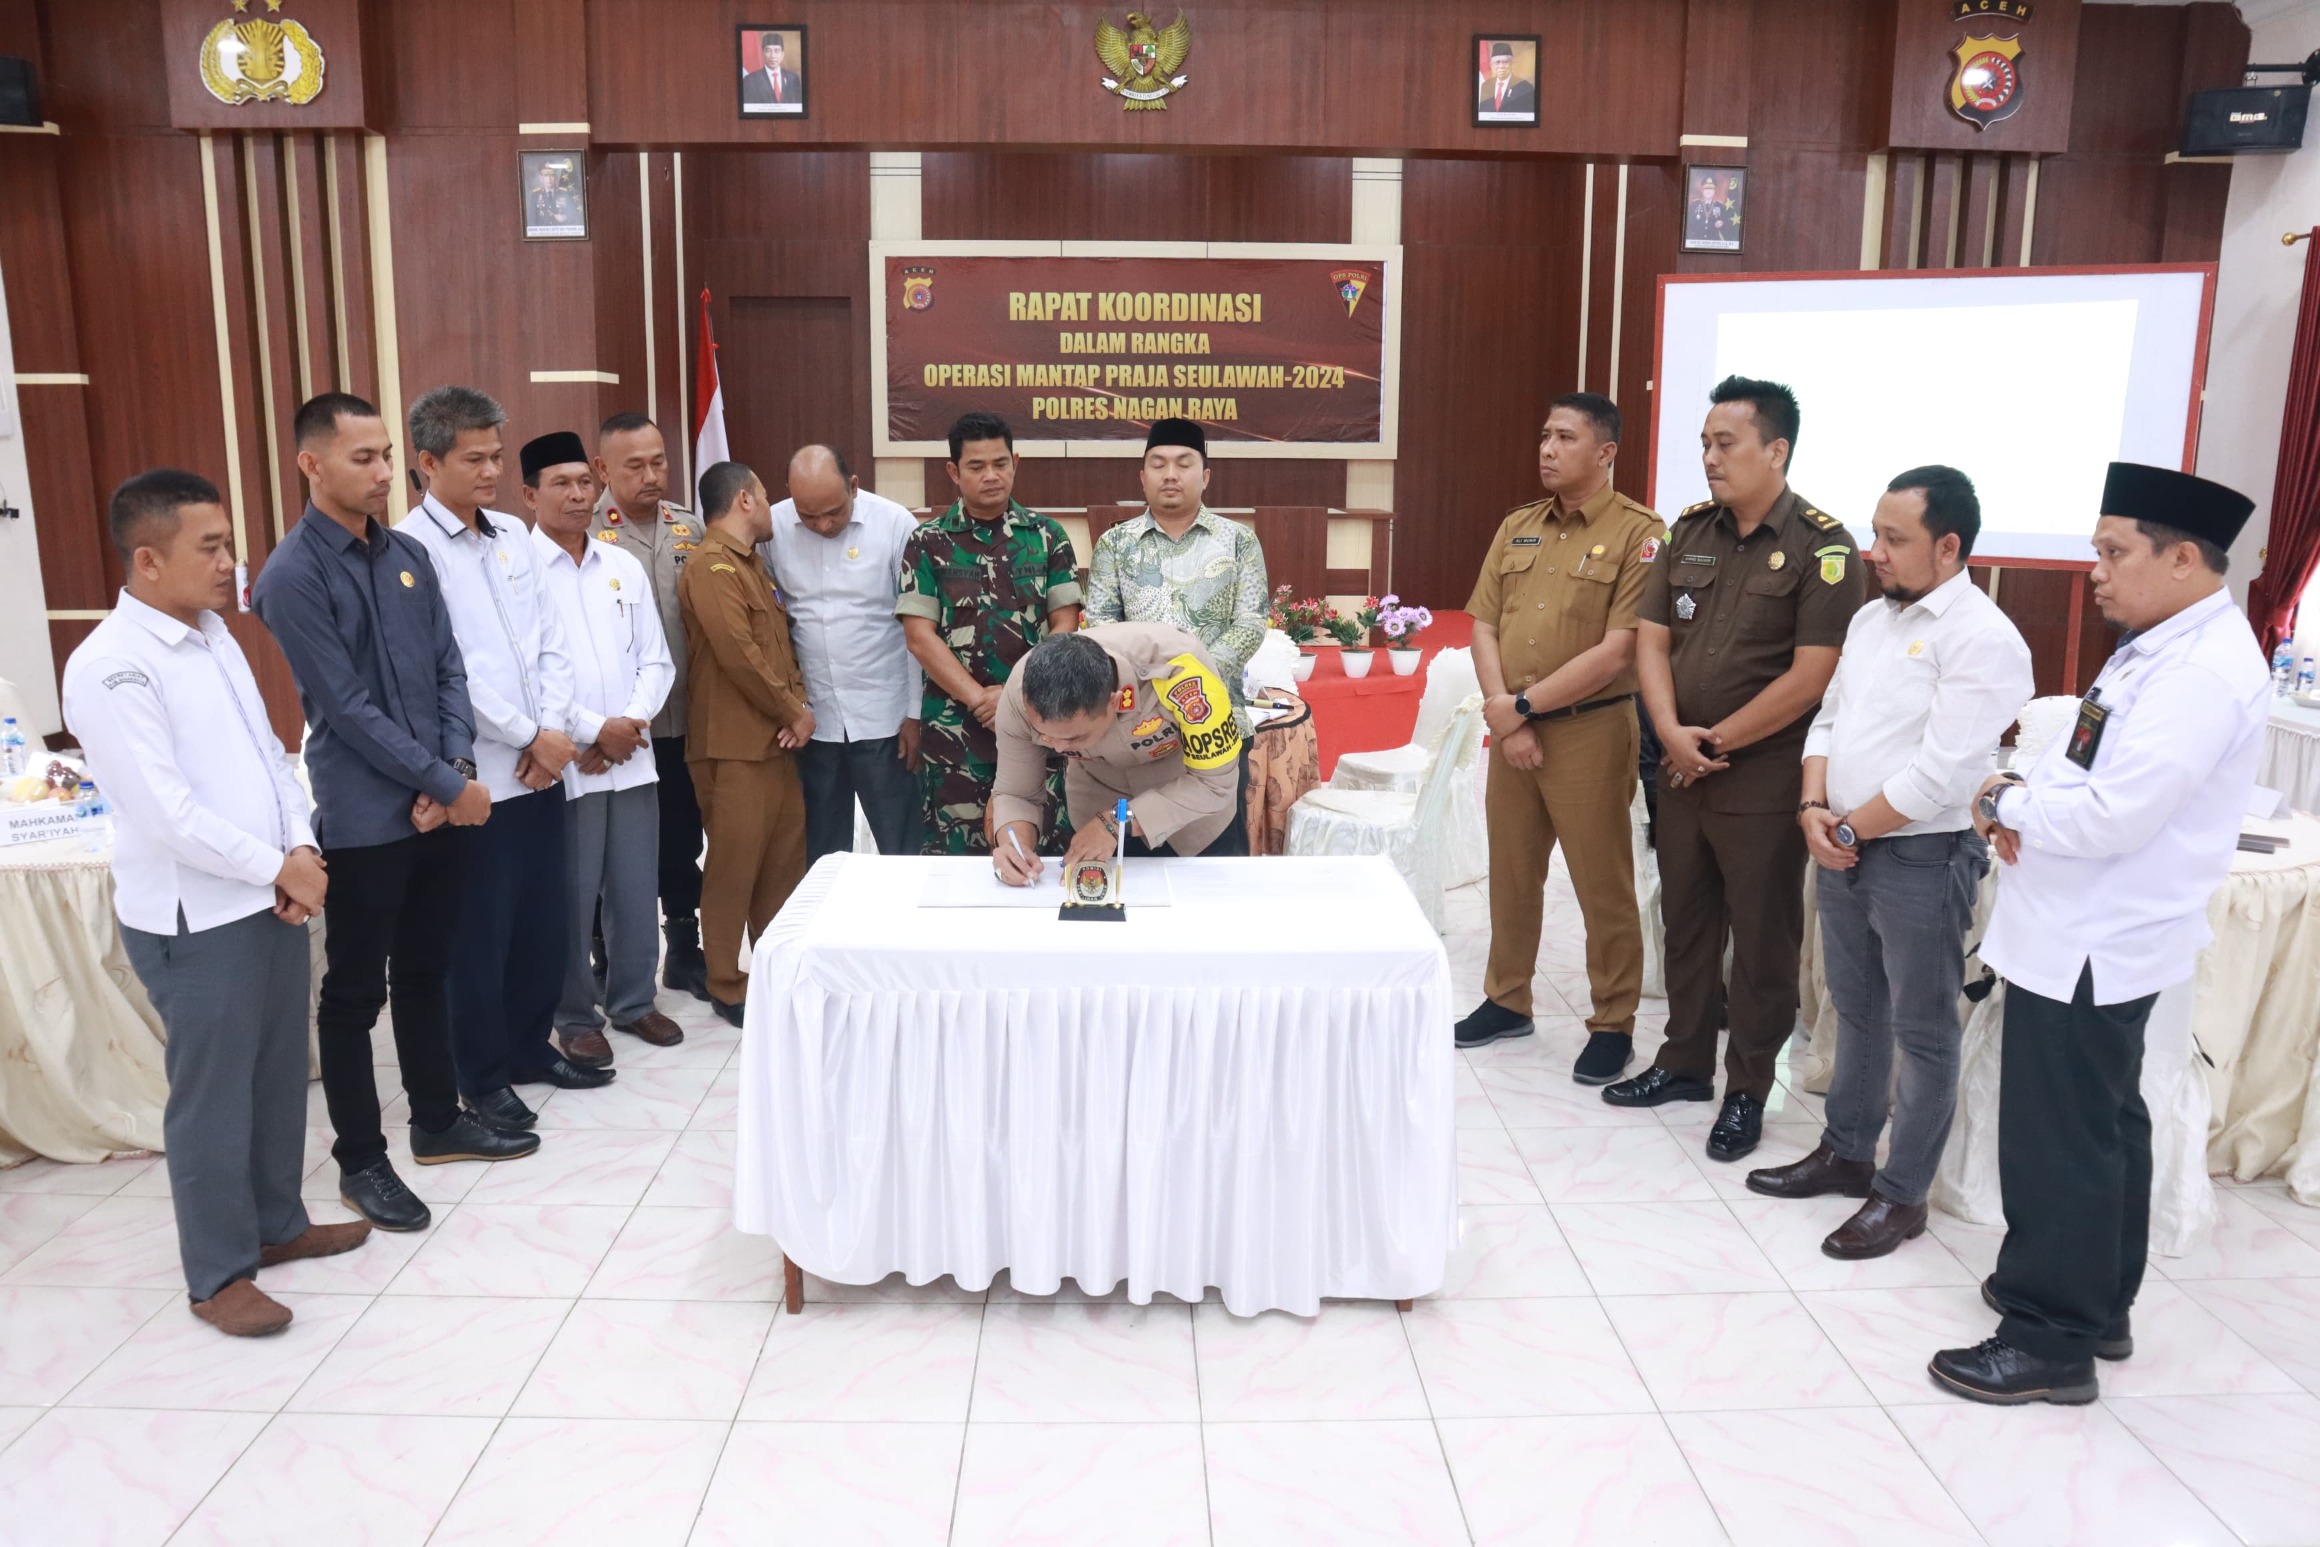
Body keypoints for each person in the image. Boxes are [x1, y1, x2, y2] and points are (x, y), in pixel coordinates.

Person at [1932, 463, 2268, 1406]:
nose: (2097, 571)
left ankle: (2050, 1336)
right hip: (2082, 926)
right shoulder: (2155, 645)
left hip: (2094, 936)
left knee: (2061, 1139)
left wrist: (2004, 801)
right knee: (2104, 1120)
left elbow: (2115, 815)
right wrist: (2022, 794)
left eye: (2116, 552)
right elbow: (2082, 768)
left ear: (2184, 558)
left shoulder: (2199, 672)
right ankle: (2097, 1301)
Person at [64, 471, 370, 1336]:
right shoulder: (110, 666)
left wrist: (299, 846)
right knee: (212, 1096)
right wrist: (277, 867)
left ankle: (276, 1223)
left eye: (230, 542)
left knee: (276, 1073)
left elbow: (271, 754)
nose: (232, 561)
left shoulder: (215, 636)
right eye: (211, 547)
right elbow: (166, 813)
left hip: (266, 894)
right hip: (194, 918)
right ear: (147, 560)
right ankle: (218, 1272)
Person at [252, 393, 535, 1235]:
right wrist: (446, 784)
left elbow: (450, 669)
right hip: (366, 817)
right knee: (352, 994)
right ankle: (360, 1160)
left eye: (385, 455)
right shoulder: (291, 575)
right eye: (363, 458)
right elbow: (344, 707)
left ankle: (437, 1120)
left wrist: (454, 772)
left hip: (437, 804)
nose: (384, 472)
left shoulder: (408, 554)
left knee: (424, 970)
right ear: (311, 464)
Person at [1746, 467, 2032, 1260]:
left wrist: (1845, 829)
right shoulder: (1873, 619)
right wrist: (1814, 808)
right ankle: (1846, 1151)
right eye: (1875, 532)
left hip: (1921, 855)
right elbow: (1827, 721)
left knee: (1923, 1028)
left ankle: (1902, 1195)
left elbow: (1941, 774)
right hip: (1842, 840)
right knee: (1855, 1006)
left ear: (1948, 546)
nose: (1874, 551)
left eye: (1894, 539)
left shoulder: (1983, 638)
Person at [1606, 375, 1865, 1162]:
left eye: (1727, 443)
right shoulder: (1688, 531)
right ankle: (1684, 1061)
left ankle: (1748, 1087)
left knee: (1760, 939)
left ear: (1775, 450)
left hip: (1760, 777)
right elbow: (1652, 641)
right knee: (1685, 923)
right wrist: (1668, 731)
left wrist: (1711, 742)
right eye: (1705, 444)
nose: (1711, 458)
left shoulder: (1824, 548)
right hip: (1679, 767)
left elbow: (1813, 675)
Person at [399, 386, 611, 1135]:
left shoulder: (514, 535)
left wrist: (550, 733)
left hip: (540, 767)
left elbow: (549, 640)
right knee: (478, 938)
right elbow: (448, 666)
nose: (492, 470)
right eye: (475, 459)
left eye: (496, 456)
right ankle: (481, 1076)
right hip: (479, 776)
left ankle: (527, 1047)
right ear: (429, 463)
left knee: (540, 925)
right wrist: (528, 736)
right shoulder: (411, 549)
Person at [1455, 393, 1662, 1086]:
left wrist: (1519, 708)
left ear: (1606, 452)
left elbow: (1618, 650)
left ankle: (1613, 1022)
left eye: (1565, 437)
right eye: (1545, 435)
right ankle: (1507, 998)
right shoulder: (1517, 525)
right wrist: (1507, 714)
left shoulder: (1639, 533)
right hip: (1514, 729)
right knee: (1512, 873)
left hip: (1590, 730)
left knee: (1602, 883)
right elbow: (1483, 624)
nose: (1547, 448)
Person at [524, 430, 682, 1069]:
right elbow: (531, 673)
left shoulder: (620, 565)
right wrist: (594, 732)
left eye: (583, 482)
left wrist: (627, 727)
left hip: (631, 759)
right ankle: (574, 1016)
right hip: (567, 765)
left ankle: (635, 1000)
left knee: (636, 887)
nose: (576, 495)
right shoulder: (518, 572)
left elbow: (656, 660)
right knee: (572, 894)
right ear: (530, 495)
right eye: (559, 484)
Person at [897, 411, 1082, 855]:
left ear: (1015, 462)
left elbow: (1066, 625)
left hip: (1040, 726)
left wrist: (1016, 696)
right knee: (955, 861)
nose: (991, 476)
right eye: (977, 466)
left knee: (1040, 856)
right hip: (956, 736)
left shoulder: (1047, 536)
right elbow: (919, 636)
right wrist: (980, 699)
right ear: (953, 471)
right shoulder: (927, 542)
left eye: (1000, 463)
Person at [680, 460, 812, 1027]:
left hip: (776, 743)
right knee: (733, 869)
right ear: (744, 500)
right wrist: (792, 710)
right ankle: (727, 985)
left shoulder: (753, 565)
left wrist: (799, 708)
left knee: (782, 867)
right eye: (763, 491)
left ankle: (776, 972)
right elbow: (739, 655)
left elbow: (782, 648)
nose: (770, 503)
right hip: (731, 745)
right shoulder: (711, 565)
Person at [591, 413, 709, 1011]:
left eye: (658, 461)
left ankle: (683, 948)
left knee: (681, 837)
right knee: (606, 848)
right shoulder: (584, 533)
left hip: (683, 717)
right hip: (615, 728)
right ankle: (603, 957)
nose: (651, 475)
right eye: (634, 465)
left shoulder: (690, 527)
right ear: (602, 469)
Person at [759, 444, 923, 862]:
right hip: (814, 720)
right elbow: (772, 623)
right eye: (808, 515)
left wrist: (916, 714)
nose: (823, 524)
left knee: (902, 847)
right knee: (821, 854)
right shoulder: (772, 527)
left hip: (885, 717)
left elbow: (917, 627)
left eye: (833, 511)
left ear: (853, 486)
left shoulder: (895, 525)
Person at [990, 623, 1248, 884]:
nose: (1057, 749)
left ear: (1114, 702)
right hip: (1095, 808)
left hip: (1192, 812)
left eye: (1074, 738)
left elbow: (1214, 783)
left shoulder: (1183, 670)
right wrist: (1014, 846)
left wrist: (1116, 822)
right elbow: (1017, 793)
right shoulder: (1019, 695)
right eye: (1045, 736)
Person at [1083, 417, 1269, 734]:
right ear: (1143, 477)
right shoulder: (1114, 544)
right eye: (1158, 465)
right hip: (1139, 721)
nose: (1170, 475)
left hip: (1220, 715)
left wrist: (1195, 674)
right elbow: (1101, 624)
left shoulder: (1239, 541)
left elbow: (1250, 622)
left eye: (1184, 464)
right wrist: (1149, 678)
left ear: (1205, 477)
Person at [741, 31, 800, 108]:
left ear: (782, 55)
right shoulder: (750, 80)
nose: (773, 56)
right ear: (762, 54)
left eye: (777, 51)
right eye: (768, 51)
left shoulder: (793, 78)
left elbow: (797, 107)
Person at [1478, 41, 1537, 116]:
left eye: (1505, 62)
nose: (1501, 66)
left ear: (1512, 64)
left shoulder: (1525, 87)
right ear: (1491, 65)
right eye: (1497, 62)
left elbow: (1528, 115)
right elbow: (1482, 113)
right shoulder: (1486, 86)